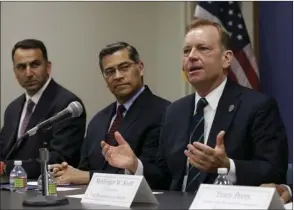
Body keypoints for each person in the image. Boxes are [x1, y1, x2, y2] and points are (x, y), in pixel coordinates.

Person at [100, 18, 288, 192]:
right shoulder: (174, 111)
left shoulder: (257, 106)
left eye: (203, 48)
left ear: (226, 59)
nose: (191, 57)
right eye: (186, 51)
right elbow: (164, 177)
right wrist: (135, 165)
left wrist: (227, 166)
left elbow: (274, 171)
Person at [50, 42, 170, 188]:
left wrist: (86, 177)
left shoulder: (164, 112)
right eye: (110, 72)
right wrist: (68, 173)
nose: (118, 76)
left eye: (124, 67)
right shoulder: (98, 120)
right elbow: (83, 169)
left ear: (140, 68)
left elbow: (157, 175)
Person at [0, 39, 86, 179]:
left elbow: (59, 159)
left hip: (48, 192)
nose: (28, 73)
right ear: (15, 71)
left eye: (35, 64)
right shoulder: (13, 108)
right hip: (11, 189)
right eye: (21, 67)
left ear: (48, 67)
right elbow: (4, 149)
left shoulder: (67, 104)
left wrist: (6, 168)